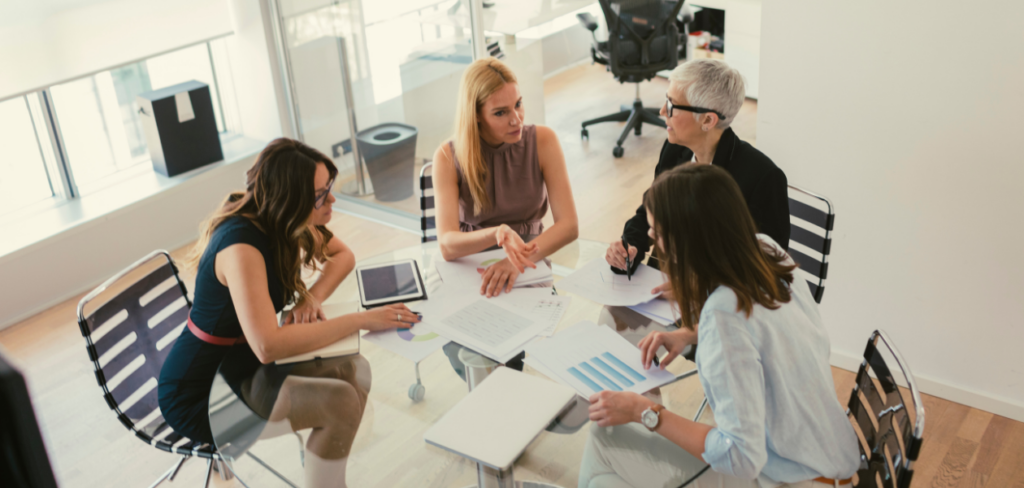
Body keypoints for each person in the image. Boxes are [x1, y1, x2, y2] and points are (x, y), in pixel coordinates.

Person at [157, 138, 419, 487]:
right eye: (322, 194)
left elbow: (344, 256)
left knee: (356, 368)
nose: (332, 199)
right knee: (341, 402)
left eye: (328, 189)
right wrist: (360, 319)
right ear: (291, 200)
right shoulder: (241, 247)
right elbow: (269, 345)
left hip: (245, 363)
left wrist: (310, 298)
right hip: (205, 391)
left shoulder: (278, 217)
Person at [579, 164, 859, 488]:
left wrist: (646, 411)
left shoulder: (722, 317)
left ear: (684, 240)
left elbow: (740, 456)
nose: (652, 239)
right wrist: (688, 334)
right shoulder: (767, 250)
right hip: (827, 461)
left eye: (657, 233)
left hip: (785, 478)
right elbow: (760, 328)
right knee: (603, 478)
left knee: (604, 440)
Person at [606, 59, 790, 298]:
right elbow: (650, 213)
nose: (662, 111)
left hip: (725, 305)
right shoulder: (674, 151)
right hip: (664, 290)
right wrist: (629, 247)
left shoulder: (762, 178)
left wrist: (696, 287)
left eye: (672, 105)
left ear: (707, 120)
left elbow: (767, 271)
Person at [433, 57, 579, 298]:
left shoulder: (543, 141)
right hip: (469, 265)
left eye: (518, 104)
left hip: (530, 260)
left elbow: (569, 226)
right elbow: (448, 246)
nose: (516, 119)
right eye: (500, 112)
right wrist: (496, 232)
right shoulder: (447, 157)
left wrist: (516, 261)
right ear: (476, 115)